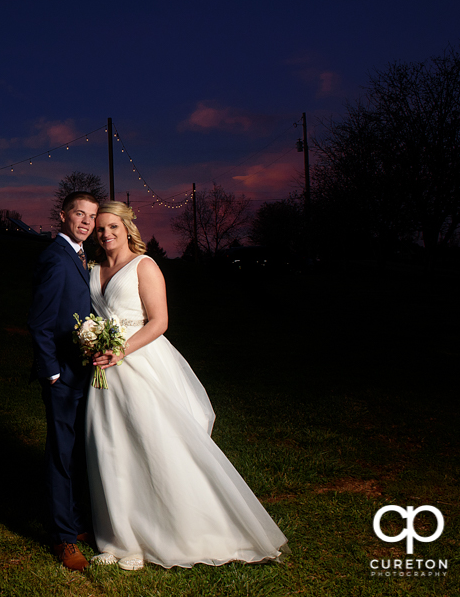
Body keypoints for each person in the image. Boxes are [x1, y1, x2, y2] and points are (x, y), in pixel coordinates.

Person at [85, 201, 288, 570]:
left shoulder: (144, 266)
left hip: (140, 363)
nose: (106, 233)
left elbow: (159, 322)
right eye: (100, 228)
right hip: (104, 374)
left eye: (112, 226)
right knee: (109, 450)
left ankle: (166, 533)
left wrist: (120, 349)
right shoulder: (93, 268)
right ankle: (118, 541)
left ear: (127, 227)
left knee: (150, 446)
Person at [27, 191, 99, 572]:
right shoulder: (55, 258)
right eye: (79, 214)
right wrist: (51, 371)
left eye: (91, 216)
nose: (86, 221)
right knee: (60, 453)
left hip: (80, 370)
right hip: (62, 375)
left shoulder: (79, 256)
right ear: (63, 216)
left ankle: (72, 522)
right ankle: (62, 539)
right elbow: (39, 322)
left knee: (73, 451)